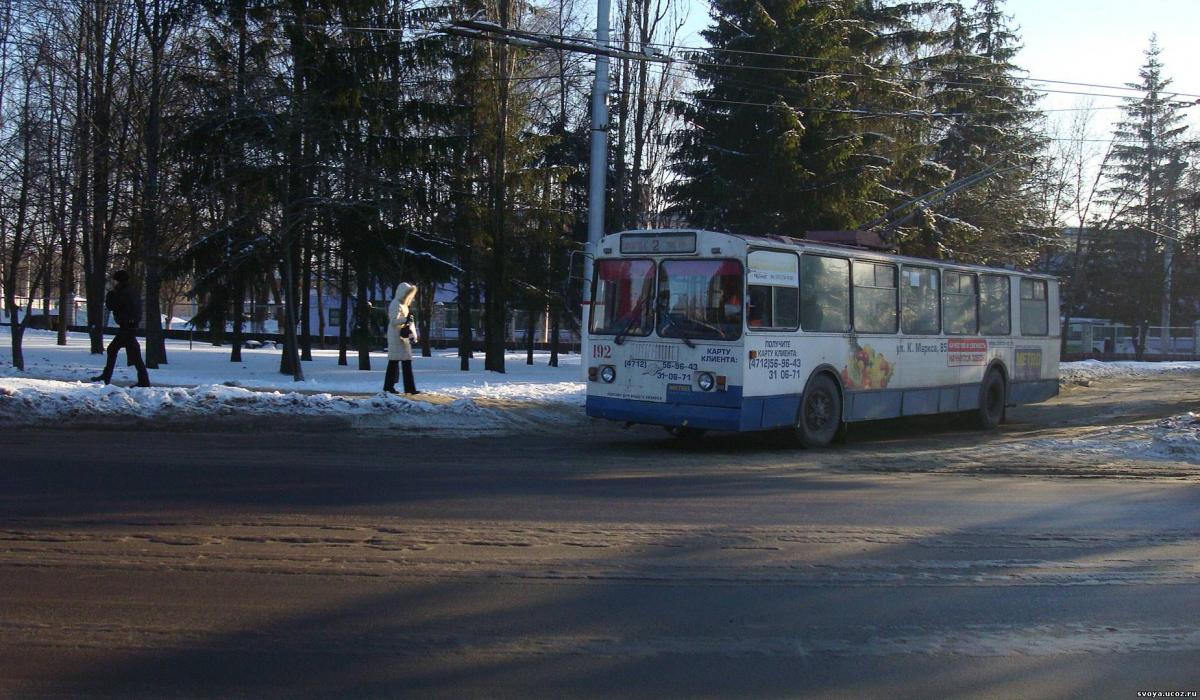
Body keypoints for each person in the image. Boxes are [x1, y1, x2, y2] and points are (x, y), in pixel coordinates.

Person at [91, 269, 151, 387]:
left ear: (119, 281)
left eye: (114, 281)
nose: (113, 283)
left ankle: (106, 377)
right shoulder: (131, 291)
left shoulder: (122, 292)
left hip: (127, 326)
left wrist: (110, 294)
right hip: (130, 325)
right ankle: (143, 380)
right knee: (133, 355)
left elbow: (111, 305)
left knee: (113, 350)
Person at [384, 282, 420, 395]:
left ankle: (392, 387)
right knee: (397, 362)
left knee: (399, 362)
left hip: (401, 336)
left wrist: (407, 320)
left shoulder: (401, 304)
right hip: (396, 336)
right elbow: (393, 321)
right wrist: (405, 320)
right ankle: (405, 388)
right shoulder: (396, 304)